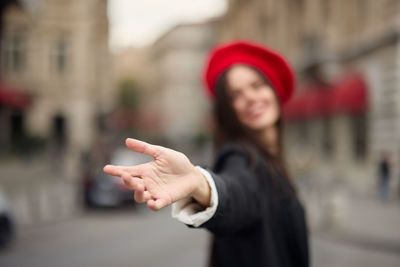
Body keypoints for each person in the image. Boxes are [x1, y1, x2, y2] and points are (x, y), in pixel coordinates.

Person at [104, 41, 309, 267]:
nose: (250, 97)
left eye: (257, 85)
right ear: (226, 110)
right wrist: (201, 184)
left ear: (274, 88)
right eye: (235, 95)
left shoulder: (272, 160)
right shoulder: (241, 157)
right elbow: (237, 190)